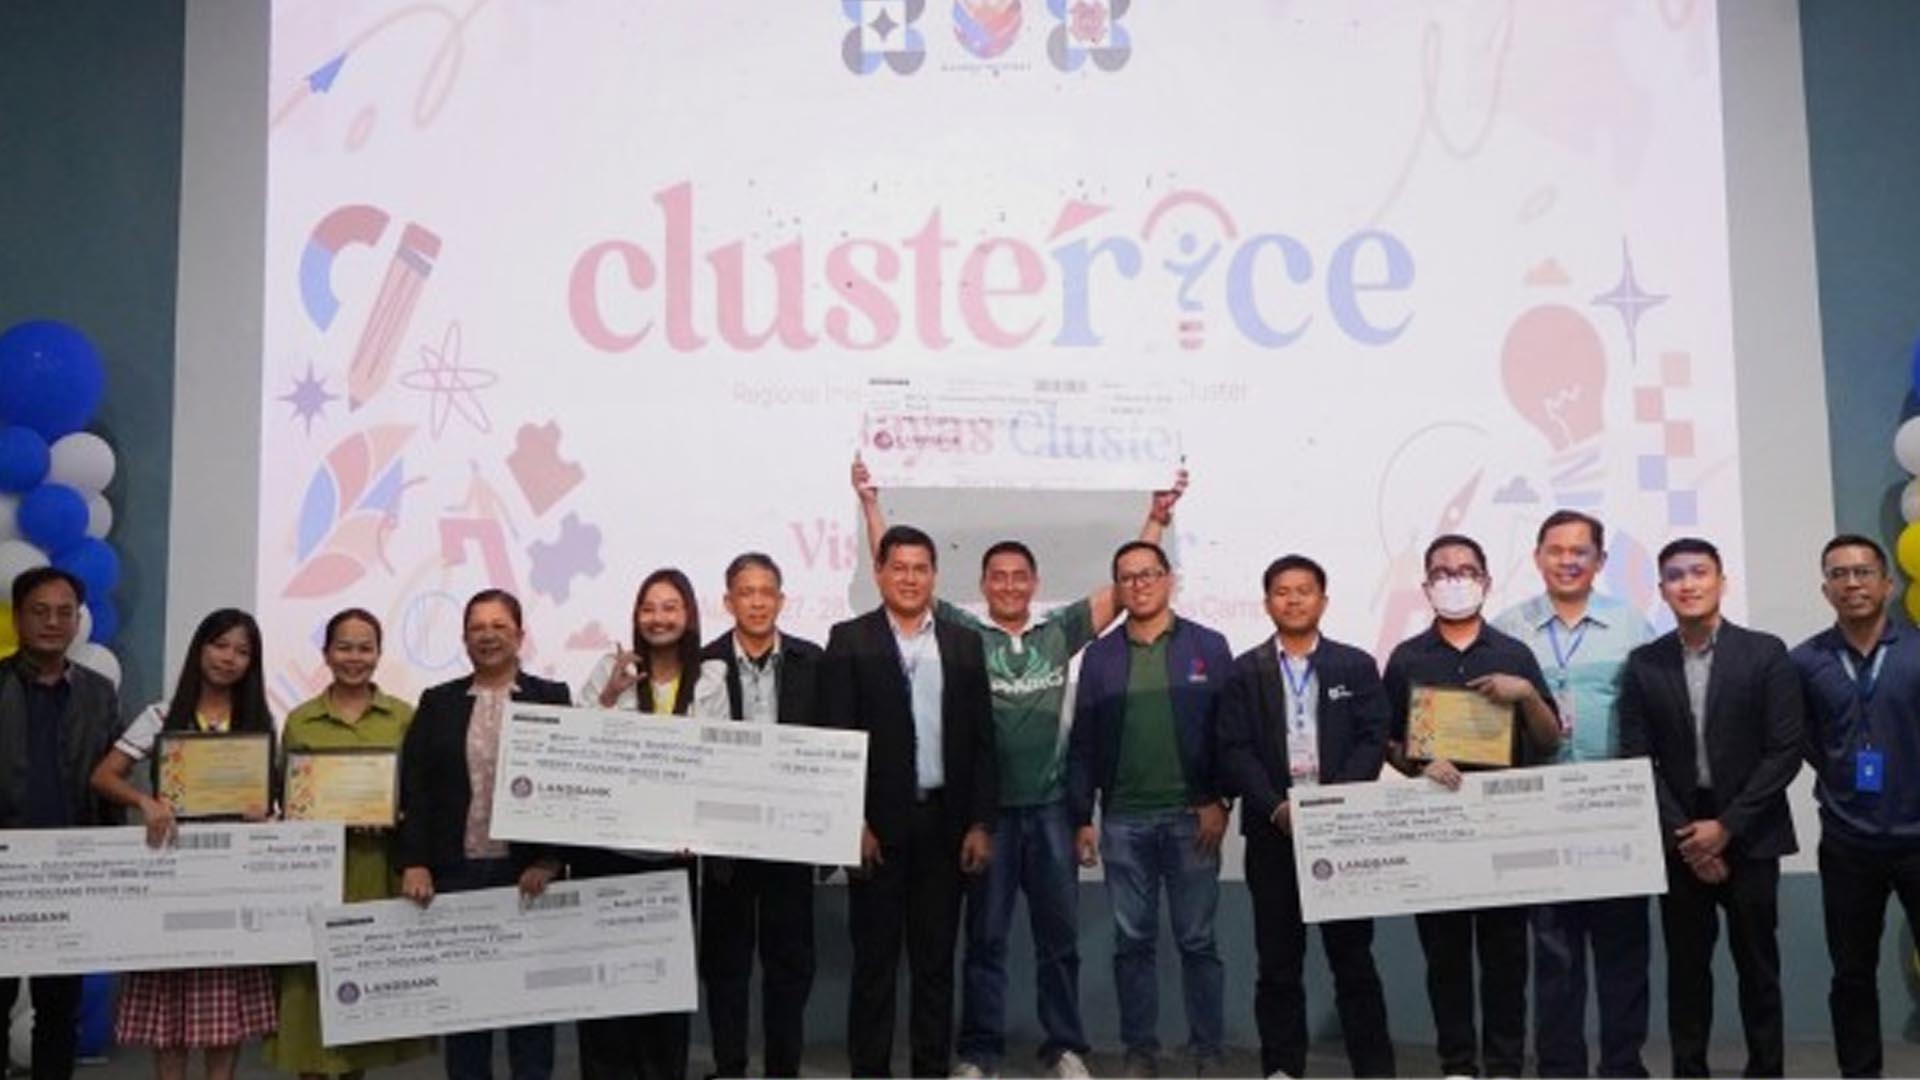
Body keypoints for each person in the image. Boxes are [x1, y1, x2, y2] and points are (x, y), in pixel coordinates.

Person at [852, 457, 1186, 1080]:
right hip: (986, 817)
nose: (1009, 586)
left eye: (1019, 577)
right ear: (983, 584)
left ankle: (1065, 1047)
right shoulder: (961, 632)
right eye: (998, 577)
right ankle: (979, 1053)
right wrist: (872, 505)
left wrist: (1156, 519)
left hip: (1051, 811)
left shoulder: (1059, 631)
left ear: (1034, 583)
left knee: (1059, 940)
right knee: (984, 941)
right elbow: (898, 577)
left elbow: (1124, 587)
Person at [1619, 537, 1800, 1079]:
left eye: (1699, 572)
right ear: (1661, 590)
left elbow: (1784, 750)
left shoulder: (1764, 653)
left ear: (1722, 581)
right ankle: (1689, 1071)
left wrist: (1726, 828)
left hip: (1751, 831)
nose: (1688, 584)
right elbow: (1637, 758)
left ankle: (1766, 1070)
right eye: (1675, 576)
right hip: (1679, 834)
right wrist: (1688, 837)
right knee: (1687, 972)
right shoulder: (1645, 663)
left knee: (1759, 969)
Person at [1383, 534, 1560, 1080]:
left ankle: (1505, 1066)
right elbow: (1386, 740)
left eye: (1465, 571)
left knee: (1507, 958)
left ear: (1485, 581)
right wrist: (1417, 764)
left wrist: (1525, 693)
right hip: (1436, 826)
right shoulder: (1407, 658)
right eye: (1441, 572)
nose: (1453, 580)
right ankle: (1458, 1065)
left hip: (1504, 825)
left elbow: (1549, 740)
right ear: (1426, 587)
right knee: (1446, 959)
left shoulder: (1514, 655)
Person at [824, 524, 997, 1078]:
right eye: (898, 567)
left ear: (934, 576)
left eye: (920, 568)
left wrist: (980, 823)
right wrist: (851, 822)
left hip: (944, 827)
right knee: (874, 967)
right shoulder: (849, 640)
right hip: (876, 831)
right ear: (879, 573)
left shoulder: (963, 644)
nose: (909, 578)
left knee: (935, 967)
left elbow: (982, 742)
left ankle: (930, 1070)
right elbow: (836, 739)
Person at [1490, 510, 1655, 1078]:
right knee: (1553, 953)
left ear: (1600, 561)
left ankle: (1623, 1067)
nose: (1567, 561)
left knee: (1623, 953)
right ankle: (1560, 1068)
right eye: (1556, 550)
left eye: (1580, 551)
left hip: (1614, 808)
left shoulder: (1632, 625)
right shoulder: (1509, 628)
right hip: (1537, 809)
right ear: (1537, 557)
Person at [1216, 554, 1394, 1080]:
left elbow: (1373, 737)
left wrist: (1332, 806)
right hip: (1274, 831)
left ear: (1323, 600)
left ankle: (1374, 1070)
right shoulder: (1244, 671)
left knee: (1354, 960)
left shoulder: (1355, 665)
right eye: (1282, 591)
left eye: (1304, 590)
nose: (1293, 600)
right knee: (1277, 964)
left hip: (1343, 832)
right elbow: (1233, 748)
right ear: (1267, 602)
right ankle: (1282, 1069)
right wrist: (1275, 806)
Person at [1068, 540, 1234, 1078]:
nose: (1139, 585)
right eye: (1127, 577)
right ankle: (1140, 1050)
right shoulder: (1100, 655)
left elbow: (1229, 733)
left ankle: (1208, 1049)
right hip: (1123, 821)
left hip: (1193, 819)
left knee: (1198, 941)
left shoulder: (1209, 645)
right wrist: (1080, 816)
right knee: (1132, 943)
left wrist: (1221, 799)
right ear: (1118, 587)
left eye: (1148, 574)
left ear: (1169, 579)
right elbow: (1084, 743)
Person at [91, 609, 279, 1080]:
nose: (229, 658)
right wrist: (145, 801)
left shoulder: (257, 721)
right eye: (220, 645)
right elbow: (103, 776)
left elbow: (276, 802)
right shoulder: (160, 714)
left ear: (252, 663)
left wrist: (266, 815)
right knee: (169, 1014)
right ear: (200, 648)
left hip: (233, 881)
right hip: (171, 876)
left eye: (242, 651)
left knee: (225, 1011)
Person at [396, 589, 571, 1080]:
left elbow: (567, 786)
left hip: (527, 873)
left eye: (499, 625)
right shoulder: (438, 702)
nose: (488, 635)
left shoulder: (551, 697)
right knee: (467, 1007)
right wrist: (415, 861)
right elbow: (417, 787)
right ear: (464, 638)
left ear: (520, 634)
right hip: (457, 872)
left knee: (530, 1006)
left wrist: (551, 859)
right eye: (477, 627)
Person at [263, 608, 433, 1079]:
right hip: (316, 875)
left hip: (378, 869)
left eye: (364, 648)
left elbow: (419, 795)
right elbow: (289, 796)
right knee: (310, 990)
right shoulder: (301, 719)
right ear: (326, 653)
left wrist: (393, 814)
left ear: (378, 654)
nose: (354, 657)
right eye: (344, 647)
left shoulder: (404, 717)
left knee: (364, 990)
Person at [574, 568, 726, 1080]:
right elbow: (572, 748)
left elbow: (718, 763)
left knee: (662, 987)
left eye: (669, 607)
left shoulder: (710, 678)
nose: (658, 618)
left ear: (689, 616)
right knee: (607, 988)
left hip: (672, 859)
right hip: (607, 854)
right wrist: (610, 695)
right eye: (648, 608)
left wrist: (699, 833)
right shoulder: (609, 668)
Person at [1792, 533, 1917, 1079]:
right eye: (1838, 574)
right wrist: (1841, 773)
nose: (1852, 583)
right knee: (1851, 975)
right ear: (1826, 590)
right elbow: (1800, 739)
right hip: (1847, 842)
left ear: (1886, 584)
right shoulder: (1804, 661)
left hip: (1919, 838)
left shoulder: (1917, 650)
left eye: (1863, 572)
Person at [697, 554, 824, 1080]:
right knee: (725, 965)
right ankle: (730, 1067)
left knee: (789, 965)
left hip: (790, 839)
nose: (756, 602)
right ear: (728, 601)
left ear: (781, 600)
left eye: (766, 592)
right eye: (745, 593)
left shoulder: (811, 661)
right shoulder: (702, 664)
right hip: (724, 841)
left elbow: (832, 745)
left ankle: (782, 1069)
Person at [0, 567, 122, 1080]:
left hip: (70, 873)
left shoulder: (98, 693)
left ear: (77, 621)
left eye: (64, 612)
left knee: (58, 1010)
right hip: (3, 870)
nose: (53, 622)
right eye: (40, 611)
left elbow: (110, 783)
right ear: (18, 618)